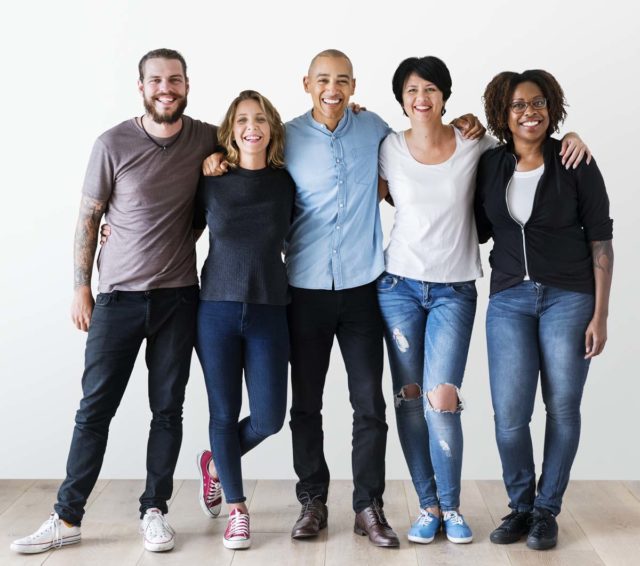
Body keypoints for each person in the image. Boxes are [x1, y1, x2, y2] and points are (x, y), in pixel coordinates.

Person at [202, 49, 485, 548]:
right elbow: (247, 164)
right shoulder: (283, 137)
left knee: (369, 405)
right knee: (305, 406)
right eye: (323, 80)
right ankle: (312, 501)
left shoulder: (374, 128)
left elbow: (421, 143)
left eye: (342, 81)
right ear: (306, 83)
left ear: (354, 87)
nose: (332, 89)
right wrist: (217, 157)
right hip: (302, 291)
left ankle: (368, 506)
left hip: (362, 289)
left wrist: (467, 122)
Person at [10, 48, 218, 555]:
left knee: (167, 410)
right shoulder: (112, 143)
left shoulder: (207, 138)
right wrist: (81, 286)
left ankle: (155, 510)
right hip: (117, 299)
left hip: (178, 298)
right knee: (94, 410)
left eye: (174, 80)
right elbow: (88, 218)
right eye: (155, 81)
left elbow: (265, 141)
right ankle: (66, 516)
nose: (165, 88)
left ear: (187, 85)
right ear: (141, 87)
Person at [376, 57, 591, 546]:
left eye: (430, 88)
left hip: (455, 287)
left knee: (441, 399)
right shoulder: (386, 146)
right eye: (411, 90)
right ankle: (428, 505)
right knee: (410, 400)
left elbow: (529, 145)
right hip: (398, 287)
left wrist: (573, 136)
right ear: (401, 99)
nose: (421, 98)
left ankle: (451, 507)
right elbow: (372, 185)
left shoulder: (477, 144)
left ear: (446, 96)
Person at [475, 69, 613, 550]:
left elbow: (602, 240)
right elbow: (471, 225)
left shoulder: (574, 159)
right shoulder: (490, 165)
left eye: (537, 103)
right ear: (503, 113)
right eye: (517, 105)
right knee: (510, 414)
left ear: (551, 108)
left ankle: (546, 510)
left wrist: (601, 314)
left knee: (562, 407)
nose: (528, 112)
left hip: (570, 299)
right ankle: (520, 506)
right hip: (509, 298)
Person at [194, 90, 295, 550]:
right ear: (230, 131)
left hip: (270, 308)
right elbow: (178, 225)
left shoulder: (284, 182)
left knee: (271, 417)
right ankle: (237, 507)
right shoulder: (211, 178)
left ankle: (215, 465)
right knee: (223, 411)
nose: (250, 127)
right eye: (241, 121)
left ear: (271, 126)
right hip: (215, 308)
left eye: (259, 119)